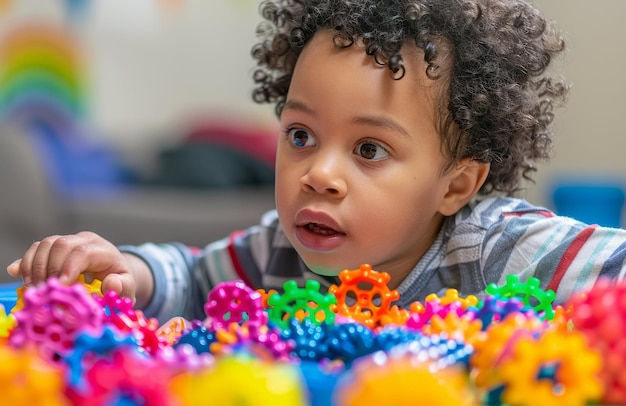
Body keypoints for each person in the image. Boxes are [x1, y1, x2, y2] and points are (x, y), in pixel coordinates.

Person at [7, 0, 626, 323]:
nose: (319, 174)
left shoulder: (495, 253)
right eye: (301, 135)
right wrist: (128, 273)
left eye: (368, 150)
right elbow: (195, 282)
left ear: (455, 185)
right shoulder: (279, 256)